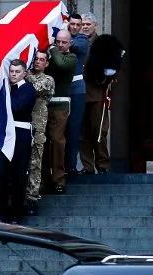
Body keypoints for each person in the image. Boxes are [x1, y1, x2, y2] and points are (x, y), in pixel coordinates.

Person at [0, 59, 36, 223]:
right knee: (0, 173)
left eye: (17, 72)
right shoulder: (5, 88)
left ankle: (17, 213)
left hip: (20, 135)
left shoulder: (29, 89)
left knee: (19, 174)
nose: (14, 75)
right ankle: (1, 212)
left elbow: (15, 107)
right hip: (4, 134)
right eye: (11, 71)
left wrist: (4, 92)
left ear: (24, 73)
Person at [80, 34, 124, 175]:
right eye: (83, 24)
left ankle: (103, 164)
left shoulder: (104, 43)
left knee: (99, 131)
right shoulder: (76, 42)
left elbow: (112, 68)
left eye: (88, 24)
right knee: (82, 133)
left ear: (95, 26)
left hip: (97, 95)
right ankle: (87, 166)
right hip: (79, 95)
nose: (85, 27)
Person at [43, 30, 77, 194]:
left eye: (64, 42)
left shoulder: (71, 58)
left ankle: (59, 179)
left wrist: (51, 46)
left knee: (57, 141)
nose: (60, 45)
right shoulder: (51, 55)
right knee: (42, 142)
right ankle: (44, 179)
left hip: (60, 105)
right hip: (44, 105)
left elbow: (61, 63)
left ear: (70, 43)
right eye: (58, 42)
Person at [24, 50, 55, 216]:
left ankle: (32, 197)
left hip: (38, 126)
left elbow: (34, 88)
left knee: (35, 162)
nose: (38, 62)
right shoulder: (24, 75)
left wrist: (23, 75)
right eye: (35, 59)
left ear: (47, 63)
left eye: (42, 60)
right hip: (22, 123)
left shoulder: (48, 80)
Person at [65, 13, 90, 176]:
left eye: (77, 24)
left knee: (74, 129)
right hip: (61, 89)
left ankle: (71, 165)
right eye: (72, 24)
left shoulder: (82, 40)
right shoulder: (65, 38)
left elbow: (75, 46)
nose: (75, 27)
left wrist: (60, 37)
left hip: (77, 90)